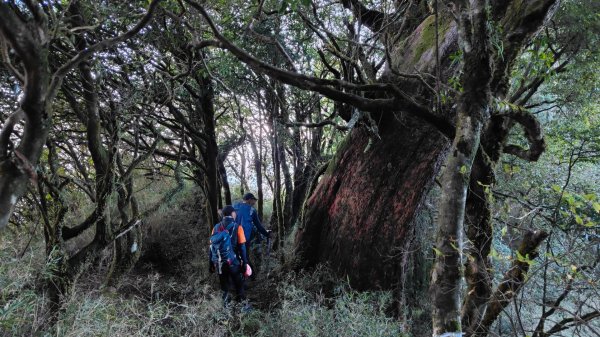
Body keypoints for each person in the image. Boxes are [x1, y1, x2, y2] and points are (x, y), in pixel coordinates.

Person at [208, 205, 250, 309]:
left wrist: (211, 263)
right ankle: (242, 309)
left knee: (225, 288)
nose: (235, 214)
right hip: (234, 263)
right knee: (239, 286)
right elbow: (242, 248)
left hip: (220, 264)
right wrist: (244, 263)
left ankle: (226, 312)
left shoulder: (216, 228)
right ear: (232, 214)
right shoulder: (238, 227)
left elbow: (212, 246)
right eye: (234, 212)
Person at [235, 193, 270, 269]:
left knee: (236, 256)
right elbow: (259, 226)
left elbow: (223, 212)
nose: (254, 202)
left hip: (233, 237)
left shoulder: (234, 206)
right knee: (245, 257)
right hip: (244, 238)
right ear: (250, 200)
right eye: (254, 200)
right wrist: (267, 234)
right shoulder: (252, 210)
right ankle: (251, 276)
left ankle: (239, 274)